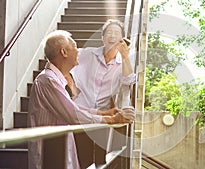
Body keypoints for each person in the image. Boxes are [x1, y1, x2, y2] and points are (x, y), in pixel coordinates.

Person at [28, 30, 134, 169]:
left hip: (58, 150)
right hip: (51, 156)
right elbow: (73, 114)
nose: (78, 51)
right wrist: (111, 120)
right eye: (74, 47)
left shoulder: (54, 80)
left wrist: (103, 113)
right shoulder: (48, 80)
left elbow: (72, 107)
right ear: (64, 52)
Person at [71, 19, 136, 111]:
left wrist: (124, 56)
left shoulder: (123, 64)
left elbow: (129, 81)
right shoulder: (87, 54)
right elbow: (62, 58)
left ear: (122, 40)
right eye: (109, 32)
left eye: (117, 33)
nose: (112, 36)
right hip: (78, 109)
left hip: (100, 115)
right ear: (102, 37)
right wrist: (72, 86)